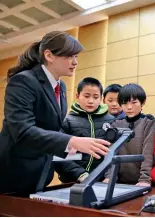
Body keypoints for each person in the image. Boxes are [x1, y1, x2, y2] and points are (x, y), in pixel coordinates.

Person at [0, 31, 109, 195]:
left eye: (76, 57)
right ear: (49, 55)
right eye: (70, 56)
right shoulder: (23, 81)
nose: (75, 62)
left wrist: (70, 147)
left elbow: (52, 128)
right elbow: (22, 131)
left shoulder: (61, 87)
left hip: (41, 173)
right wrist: (71, 141)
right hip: (14, 173)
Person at [54, 77, 115, 183]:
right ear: (77, 96)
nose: (91, 101)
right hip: (72, 180)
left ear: (101, 98)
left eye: (96, 97)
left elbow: (115, 151)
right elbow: (56, 153)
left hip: (102, 180)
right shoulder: (67, 121)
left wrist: (109, 175)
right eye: (86, 96)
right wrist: (79, 174)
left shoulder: (111, 121)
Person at [104, 84, 155, 186]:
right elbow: (111, 153)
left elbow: (148, 152)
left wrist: (144, 179)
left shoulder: (148, 121)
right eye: (124, 103)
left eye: (134, 102)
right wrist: (109, 177)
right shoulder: (115, 124)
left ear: (143, 102)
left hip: (142, 181)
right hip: (119, 182)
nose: (129, 107)